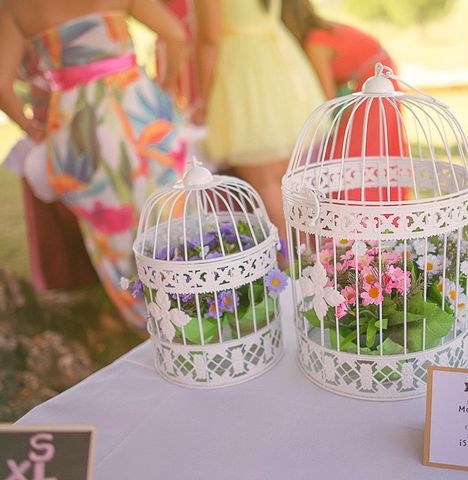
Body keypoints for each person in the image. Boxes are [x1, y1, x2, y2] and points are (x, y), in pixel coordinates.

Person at [0, 0, 188, 328]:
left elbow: (2, 83)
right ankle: (205, 302)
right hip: (137, 109)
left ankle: (154, 325)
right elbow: (175, 35)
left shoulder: (15, 6)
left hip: (76, 127)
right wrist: (167, 86)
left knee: (112, 231)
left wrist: (32, 129)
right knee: (174, 210)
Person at [192, 0, 324, 237]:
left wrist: (200, 99)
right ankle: (308, 259)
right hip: (276, 62)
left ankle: (293, 262)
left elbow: (208, 40)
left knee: (266, 182)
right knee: (284, 180)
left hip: (242, 70)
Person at [281, 0, 407, 200]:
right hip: (381, 81)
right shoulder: (327, 28)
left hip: (374, 86)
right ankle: (380, 204)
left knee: (354, 154)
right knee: (377, 151)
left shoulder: (315, 43)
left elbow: (327, 99)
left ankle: (357, 207)